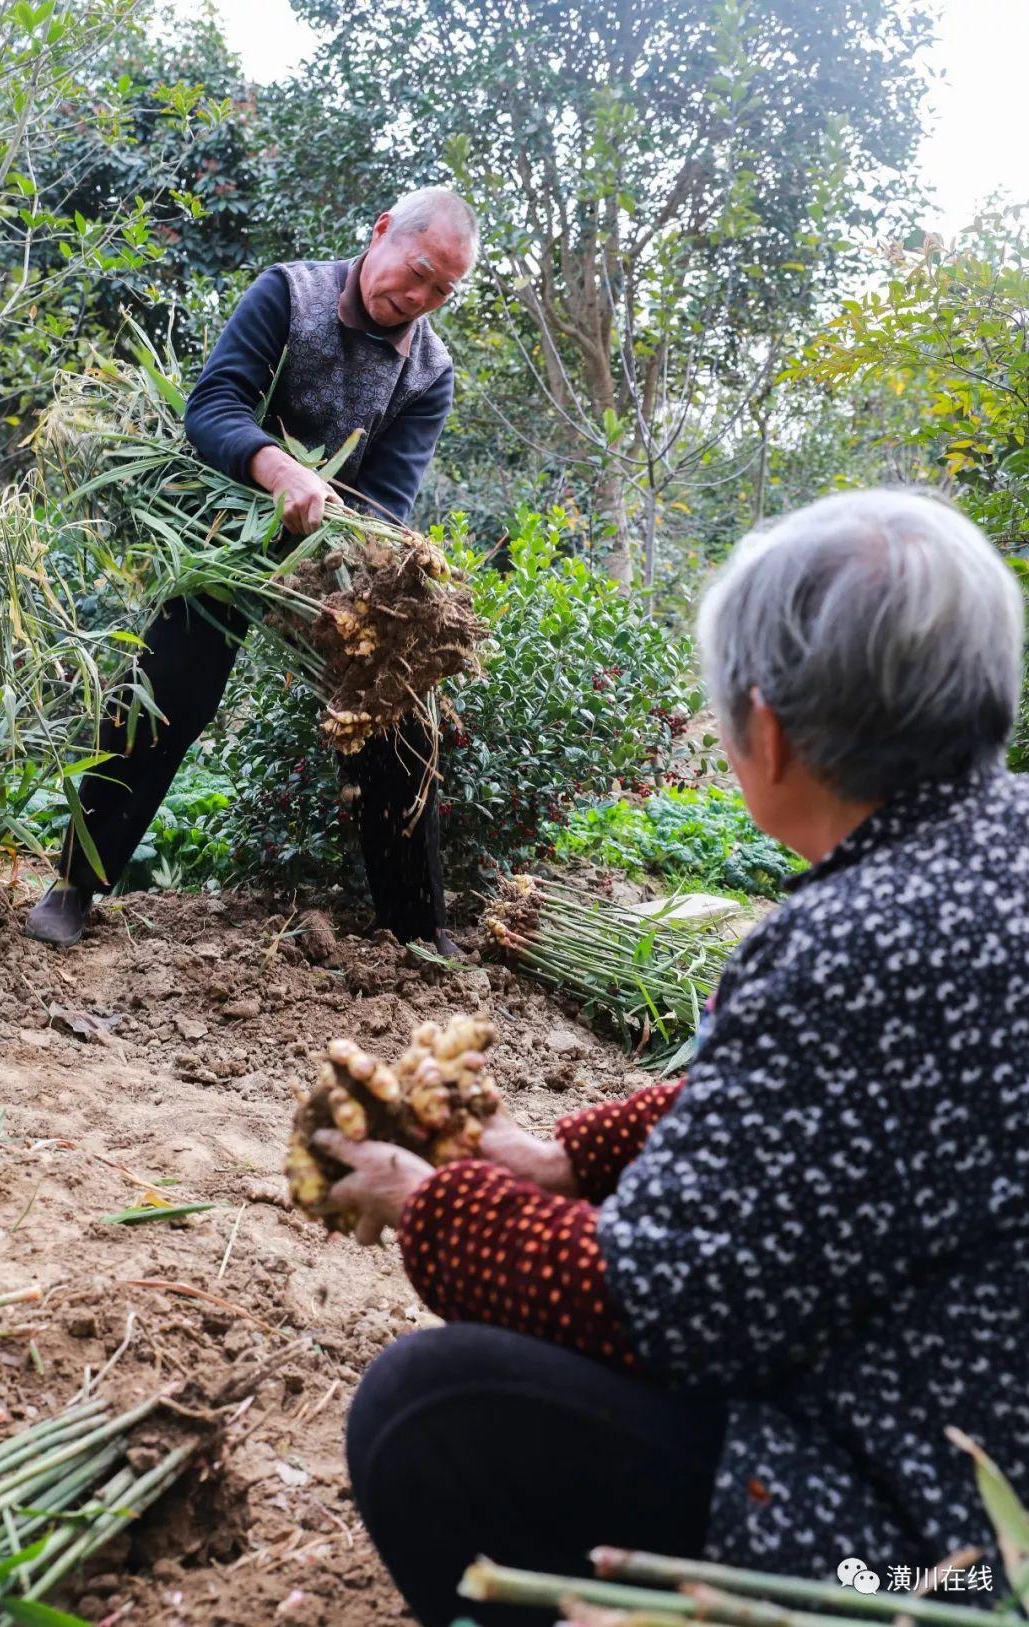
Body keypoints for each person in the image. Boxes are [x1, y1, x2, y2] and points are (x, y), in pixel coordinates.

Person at [314, 489, 1029, 1626]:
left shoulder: (843, 943)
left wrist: (430, 1201)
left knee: (428, 1409)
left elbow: (660, 1306)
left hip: (956, 1566)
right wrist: (560, 1160)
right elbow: (829, 1102)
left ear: (770, 729)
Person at [25, 186, 478, 949]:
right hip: (226, 527)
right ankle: (75, 883)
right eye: (419, 271)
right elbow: (213, 405)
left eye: (443, 290)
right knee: (166, 687)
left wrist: (350, 561)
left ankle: (416, 927)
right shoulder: (290, 294)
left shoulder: (430, 369)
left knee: (398, 707)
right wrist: (279, 472)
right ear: (380, 232)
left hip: (326, 558)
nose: (422, 297)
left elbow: (385, 499)